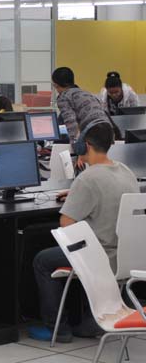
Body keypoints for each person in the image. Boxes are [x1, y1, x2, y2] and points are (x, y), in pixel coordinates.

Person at [29, 122, 139, 343]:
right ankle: (90, 322)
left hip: (100, 258)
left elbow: (66, 224)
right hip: (126, 258)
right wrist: (76, 195)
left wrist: (76, 198)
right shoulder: (126, 171)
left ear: (85, 145)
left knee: (42, 260)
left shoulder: (87, 179)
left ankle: (58, 329)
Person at [52, 67, 112, 169]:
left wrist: (79, 151)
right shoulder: (86, 93)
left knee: (84, 167)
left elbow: (71, 124)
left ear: (56, 85)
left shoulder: (63, 97)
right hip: (108, 130)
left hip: (92, 131)